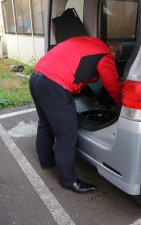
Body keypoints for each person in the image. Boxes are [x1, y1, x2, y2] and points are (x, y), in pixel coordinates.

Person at [29, 36, 122, 193]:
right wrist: (121, 105)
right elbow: (113, 86)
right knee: (67, 133)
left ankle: (46, 161)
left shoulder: (90, 42)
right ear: (112, 50)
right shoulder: (105, 56)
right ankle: (69, 180)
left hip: (37, 77)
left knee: (45, 123)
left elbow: (82, 71)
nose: (114, 60)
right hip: (55, 85)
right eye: (116, 57)